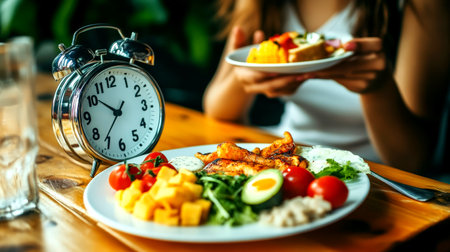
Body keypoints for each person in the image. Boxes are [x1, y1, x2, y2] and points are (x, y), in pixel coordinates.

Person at [202, 0, 449, 175]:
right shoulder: (261, 3)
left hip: (376, 173)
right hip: (290, 156)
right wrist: (247, 77)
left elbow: (413, 161)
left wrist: (377, 88)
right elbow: (216, 109)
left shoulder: (420, 6)